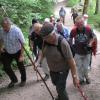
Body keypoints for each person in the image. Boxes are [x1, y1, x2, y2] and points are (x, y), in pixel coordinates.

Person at [35, 22, 79, 100]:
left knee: (60, 89)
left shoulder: (62, 43)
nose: (44, 40)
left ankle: (62, 97)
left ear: (53, 34)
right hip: (52, 70)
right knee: (55, 83)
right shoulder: (45, 41)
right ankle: (60, 97)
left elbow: (71, 62)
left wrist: (74, 77)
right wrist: (38, 62)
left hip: (63, 71)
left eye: (46, 38)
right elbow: (42, 53)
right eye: (44, 38)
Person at [0, 17, 26, 88]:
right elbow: (1, 39)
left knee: (21, 66)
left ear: (10, 24)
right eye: (3, 27)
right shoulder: (1, 30)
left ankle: (23, 80)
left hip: (17, 51)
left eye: (6, 27)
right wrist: (1, 47)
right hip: (8, 51)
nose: (5, 29)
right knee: (6, 67)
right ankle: (14, 80)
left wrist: (21, 55)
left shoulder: (17, 31)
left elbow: (23, 43)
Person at [70, 16, 96, 85]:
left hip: (87, 52)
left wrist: (90, 43)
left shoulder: (88, 29)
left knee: (86, 67)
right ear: (76, 24)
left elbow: (93, 37)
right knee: (79, 67)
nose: (80, 26)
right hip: (78, 52)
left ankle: (87, 77)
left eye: (81, 24)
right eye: (78, 24)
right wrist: (71, 46)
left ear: (84, 22)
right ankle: (81, 79)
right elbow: (70, 38)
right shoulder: (73, 30)